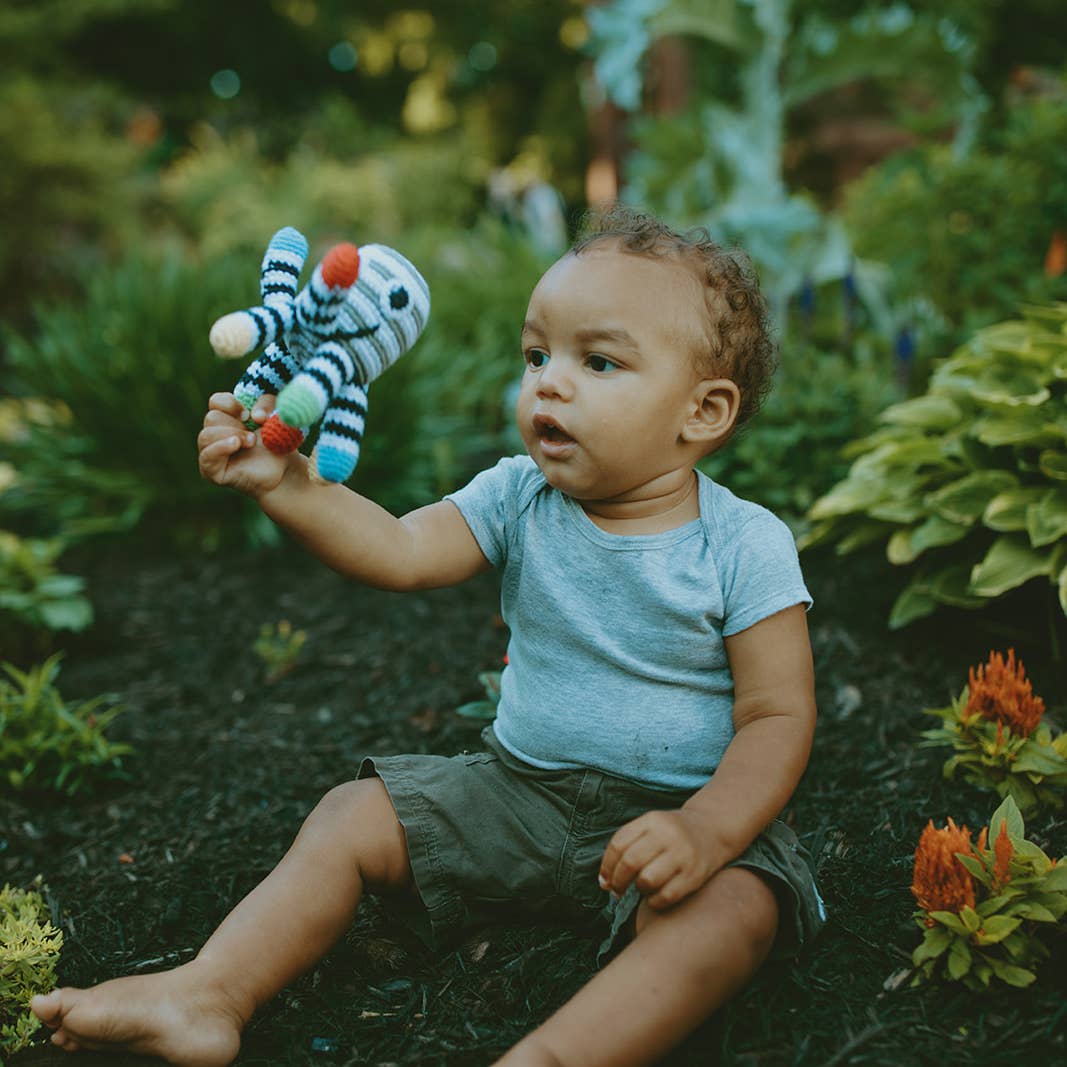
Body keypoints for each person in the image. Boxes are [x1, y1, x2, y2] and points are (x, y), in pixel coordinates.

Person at [31, 206, 824, 1066]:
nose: (548, 383)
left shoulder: (743, 543)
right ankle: (207, 991)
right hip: (520, 795)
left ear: (702, 411)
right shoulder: (518, 495)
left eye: (596, 361)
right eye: (536, 356)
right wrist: (287, 484)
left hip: (678, 815)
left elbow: (777, 716)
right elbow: (402, 549)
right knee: (353, 816)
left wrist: (706, 830)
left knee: (737, 912)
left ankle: (553, 1055)